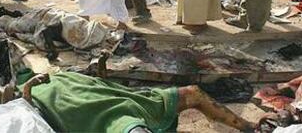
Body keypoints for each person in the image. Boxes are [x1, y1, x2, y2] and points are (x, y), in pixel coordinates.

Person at [18, 72, 255, 132]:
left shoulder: (57, 78)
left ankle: (248, 128)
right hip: (121, 110)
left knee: (193, 93)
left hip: (128, 104)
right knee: (193, 93)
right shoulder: (54, 79)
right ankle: (247, 127)